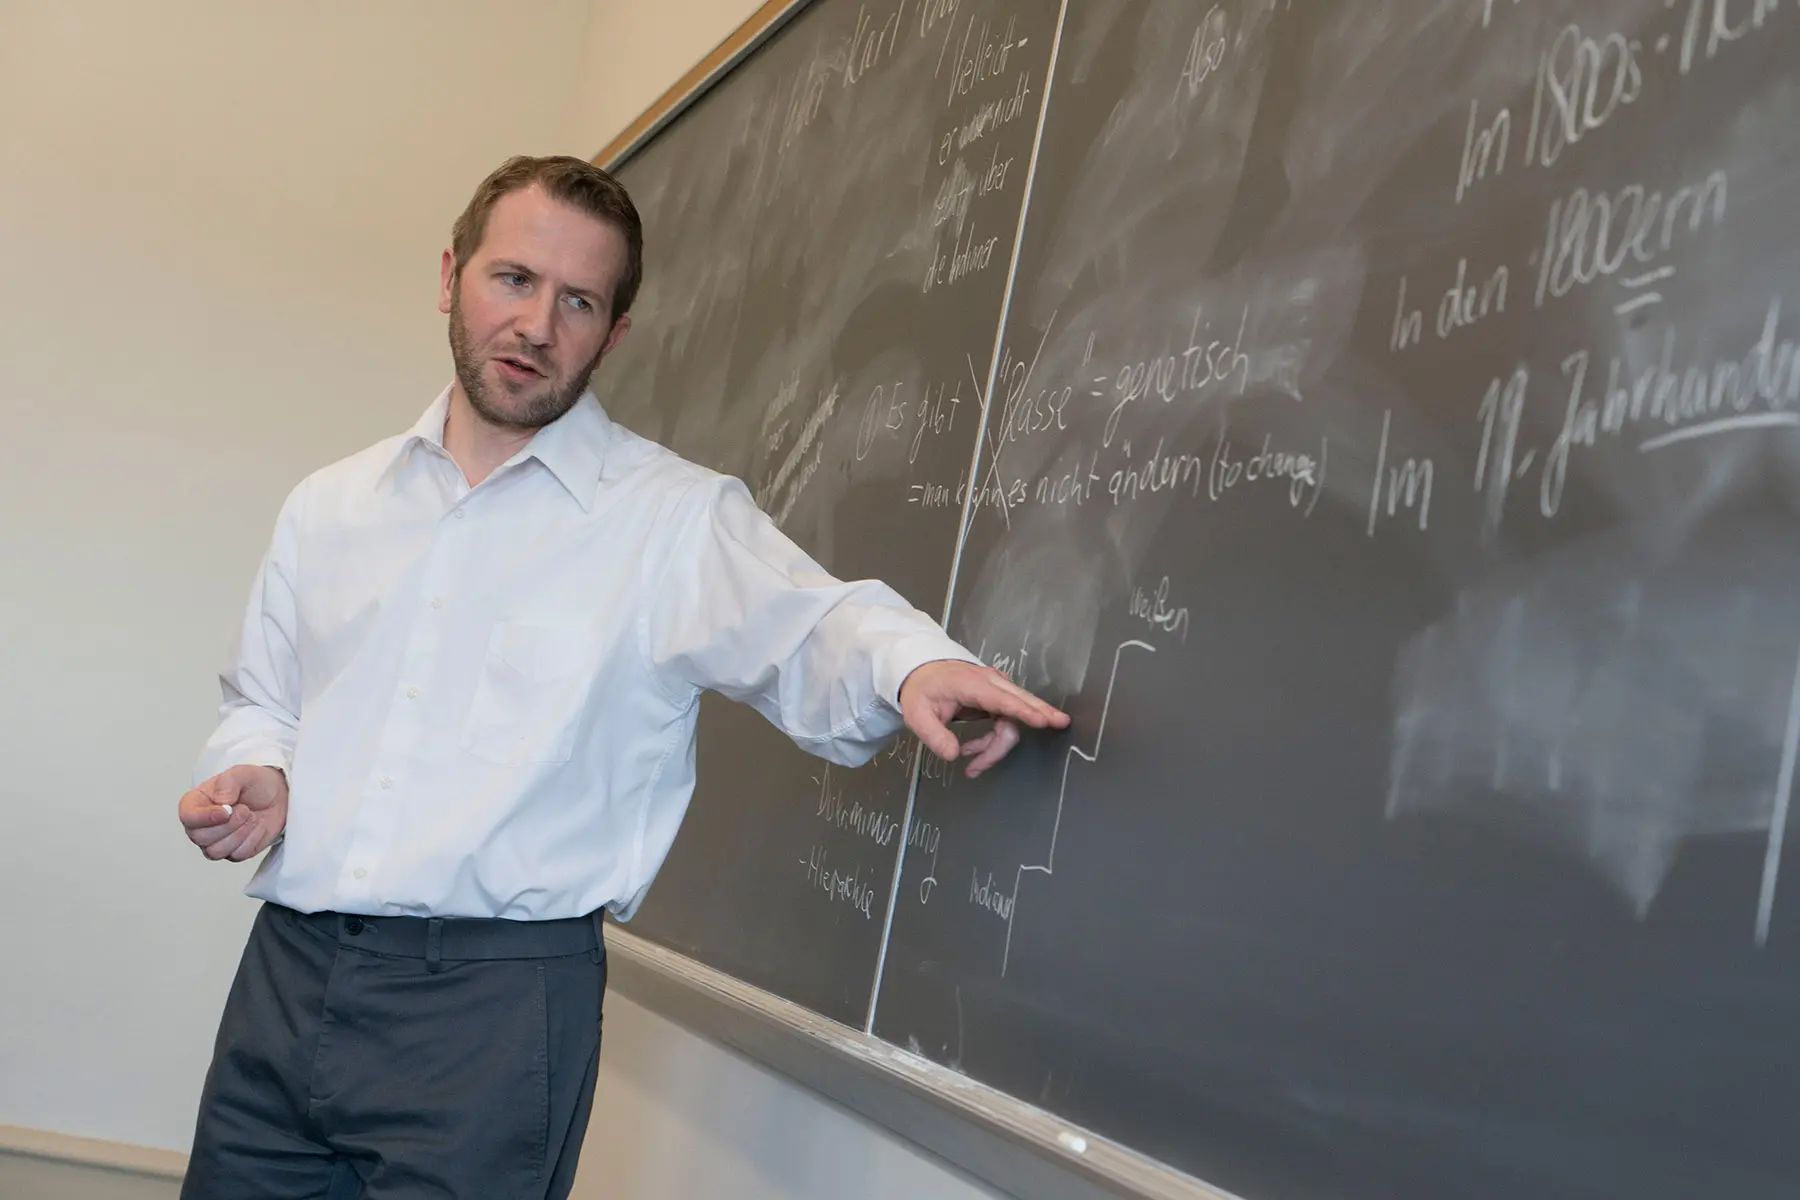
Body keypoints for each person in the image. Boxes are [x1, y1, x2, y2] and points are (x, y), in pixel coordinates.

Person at [174, 154, 1069, 1199]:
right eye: (513, 280)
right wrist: (258, 771)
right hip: (287, 977)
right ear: (452, 275)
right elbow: (264, 703)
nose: (537, 326)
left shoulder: (670, 518)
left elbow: (813, 621)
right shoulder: (330, 505)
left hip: (495, 1012)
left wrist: (914, 662)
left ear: (614, 332)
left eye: (578, 301)